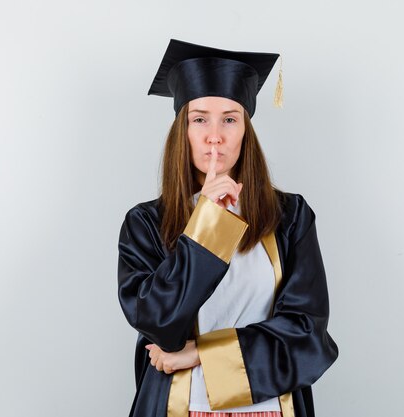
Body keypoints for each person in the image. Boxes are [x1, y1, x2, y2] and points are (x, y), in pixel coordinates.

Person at [117, 39, 338, 417]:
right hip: (178, 406)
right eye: (199, 119)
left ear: (246, 132)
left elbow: (306, 335)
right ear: (181, 131)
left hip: (272, 407)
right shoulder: (145, 223)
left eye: (230, 119)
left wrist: (200, 354)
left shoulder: (290, 217)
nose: (214, 135)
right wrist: (206, 222)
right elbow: (159, 322)